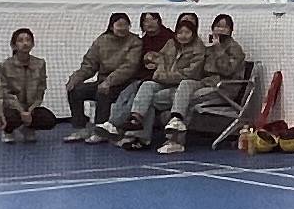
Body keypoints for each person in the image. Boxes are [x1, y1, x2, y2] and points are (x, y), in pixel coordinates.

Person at [163, 11, 253, 154]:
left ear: (230, 30)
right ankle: (176, 119)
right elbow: (200, 71)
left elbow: (227, 70)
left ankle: (176, 141)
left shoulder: (235, 49)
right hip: (206, 83)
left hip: (223, 89)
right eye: (218, 26)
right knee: (185, 84)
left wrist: (219, 49)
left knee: (189, 100)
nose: (220, 29)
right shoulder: (208, 49)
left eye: (224, 27)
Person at [116, 11, 202, 147]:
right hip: (166, 83)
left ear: (193, 32)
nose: (183, 36)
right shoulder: (171, 44)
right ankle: (136, 121)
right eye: (180, 32)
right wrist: (150, 59)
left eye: (187, 32)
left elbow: (189, 74)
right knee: (147, 86)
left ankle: (175, 125)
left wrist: (162, 76)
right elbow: (159, 58)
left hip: (181, 86)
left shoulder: (199, 48)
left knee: (167, 91)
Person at [63, 13, 141, 139]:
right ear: (111, 26)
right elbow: (89, 64)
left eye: (126, 25)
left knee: (103, 93)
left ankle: (100, 131)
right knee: (75, 91)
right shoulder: (101, 41)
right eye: (119, 25)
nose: (122, 28)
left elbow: (129, 67)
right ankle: (80, 127)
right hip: (102, 81)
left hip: (125, 83)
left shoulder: (135, 42)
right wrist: (76, 78)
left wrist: (109, 82)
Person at [0, 27, 51, 145]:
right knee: (9, 117)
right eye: (20, 40)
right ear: (13, 45)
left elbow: (40, 90)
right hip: (12, 107)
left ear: (33, 44)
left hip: (30, 107)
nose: (25, 43)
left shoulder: (40, 64)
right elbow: (4, 92)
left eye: (28, 40)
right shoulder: (5, 65)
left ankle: (28, 128)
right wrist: (21, 111)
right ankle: (8, 131)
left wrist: (30, 110)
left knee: (49, 120)